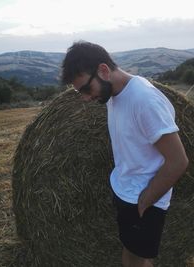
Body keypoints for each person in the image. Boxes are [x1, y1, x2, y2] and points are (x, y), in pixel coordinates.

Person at [61, 41, 189, 267]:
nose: (85, 98)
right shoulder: (115, 94)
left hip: (142, 199)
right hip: (128, 191)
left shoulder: (144, 100)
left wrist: (143, 203)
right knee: (132, 256)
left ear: (103, 70)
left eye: (86, 89)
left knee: (136, 260)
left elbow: (178, 161)